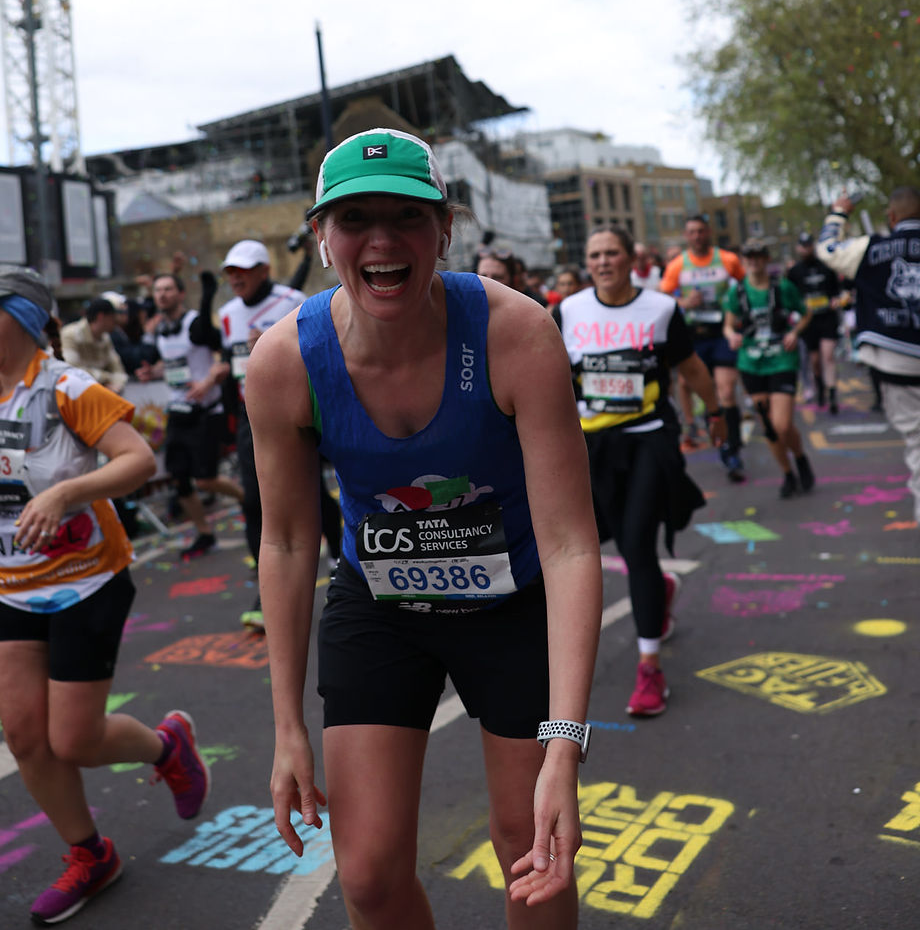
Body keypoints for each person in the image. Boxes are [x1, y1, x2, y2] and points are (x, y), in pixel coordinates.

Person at [246, 129, 602, 929]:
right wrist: (286, 731)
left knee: (533, 852)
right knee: (367, 877)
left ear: (445, 228)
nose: (381, 241)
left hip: (513, 607)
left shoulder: (515, 333)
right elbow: (288, 542)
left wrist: (565, 746)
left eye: (405, 217)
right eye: (355, 219)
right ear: (321, 236)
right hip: (382, 611)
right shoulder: (283, 362)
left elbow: (573, 544)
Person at [0, 265, 210, 926]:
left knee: (75, 739)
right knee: (26, 736)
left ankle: (167, 747)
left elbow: (138, 460)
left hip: (86, 581)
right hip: (10, 586)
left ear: (21, 321)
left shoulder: (65, 386)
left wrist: (65, 491)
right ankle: (90, 855)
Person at [556, 224, 721, 718]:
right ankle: (662, 593)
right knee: (598, 538)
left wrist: (717, 414)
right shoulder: (568, 311)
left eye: (612, 253)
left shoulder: (662, 309)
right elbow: (548, 374)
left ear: (632, 258)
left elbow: (690, 368)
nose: (603, 261)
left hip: (650, 436)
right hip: (594, 444)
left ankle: (650, 666)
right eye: (594, 255)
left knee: (636, 545)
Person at [818, 188, 920, 557]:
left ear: (891, 217)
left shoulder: (870, 250)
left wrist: (838, 214)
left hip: (901, 366)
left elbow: (827, 249)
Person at [218, 239, 338, 630]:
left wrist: (272, 349)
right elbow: (229, 362)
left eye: (243, 270)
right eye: (230, 272)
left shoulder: (292, 299)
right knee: (255, 502)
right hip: (251, 414)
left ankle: (340, 558)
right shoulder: (227, 314)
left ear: (264, 270)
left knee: (312, 493)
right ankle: (264, 591)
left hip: (298, 407)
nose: (235, 278)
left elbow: (320, 348)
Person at [136, 272, 241, 561]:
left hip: (205, 412)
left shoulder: (197, 322)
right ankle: (205, 534)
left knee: (205, 481)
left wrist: (207, 382)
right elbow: (171, 364)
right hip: (177, 412)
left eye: (168, 289)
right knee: (179, 480)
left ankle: (249, 499)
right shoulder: (160, 329)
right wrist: (152, 373)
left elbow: (224, 355)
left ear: (181, 294)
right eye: (158, 290)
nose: (162, 294)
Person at [723, 240, 815, 497]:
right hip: (751, 363)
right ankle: (787, 473)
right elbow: (728, 324)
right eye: (748, 257)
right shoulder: (737, 292)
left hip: (781, 360)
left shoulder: (783, 287)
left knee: (782, 424)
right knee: (769, 426)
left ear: (766, 259)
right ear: (743, 260)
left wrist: (795, 332)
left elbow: (805, 313)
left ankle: (800, 456)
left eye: (758, 257)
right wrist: (731, 335)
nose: (753, 261)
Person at [660, 216, 747, 480]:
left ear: (708, 233)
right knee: (691, 386)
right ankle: (696, 425)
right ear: (686, 236)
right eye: (692, 232)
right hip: (693, 336)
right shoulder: (677, 265)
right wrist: (684, 302)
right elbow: (663, 297)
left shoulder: (727, 259)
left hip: (721, 332)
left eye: (701, 231)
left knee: (726, 390)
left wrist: (735, 310)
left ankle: (731, 447)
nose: (697, 236)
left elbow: (746, 285)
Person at [788, 232, 843, 413]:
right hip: (808, 322)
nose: (806, 249)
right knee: (815, 360)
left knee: (828, 355)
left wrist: (836, 300)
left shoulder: (826, 267)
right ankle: (820, 389)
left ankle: (832, 394)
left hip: (827, 318)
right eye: (803, 245)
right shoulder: (794, 272)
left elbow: (837, 291)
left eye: (809, 245)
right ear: (798, 248)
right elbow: (789, 297)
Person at [60, 299, 128, 395]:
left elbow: (118, 370)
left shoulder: (105, 338)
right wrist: (106, 379)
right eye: (112, 317)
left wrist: (116, 386)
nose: (115, 321)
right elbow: (71, 371)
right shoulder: (70, 335)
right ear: (101, 317)